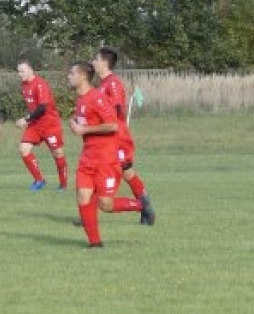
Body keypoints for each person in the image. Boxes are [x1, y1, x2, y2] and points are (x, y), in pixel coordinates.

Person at [67, 61, 150, 248]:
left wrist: (84, 129)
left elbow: (112, 125)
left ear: (82, 76)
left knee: (106, 205)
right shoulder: (80, 100)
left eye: (72, 73)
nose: (68, 76)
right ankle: (95, 243)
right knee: (83, 196)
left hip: (105, 159)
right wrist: (75, 125)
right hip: (87, 158)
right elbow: (85, 125)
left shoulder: (97, 98)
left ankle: (141, 205)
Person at [93, 45, 155, 225]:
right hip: (109, 137)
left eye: (96, 59)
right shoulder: (103, 84)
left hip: (117, 138)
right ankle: (145, 208)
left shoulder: (112, 83)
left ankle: (143, 206)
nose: (93, 62)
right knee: (126, 173)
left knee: (125, 172)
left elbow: (116, 109)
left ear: (104, 62)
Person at [15, 60, 67, 191]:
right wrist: (29, 120)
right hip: (35, 124)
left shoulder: (40, 84)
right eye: (18, 71)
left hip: (50, 124)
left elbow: (42, 107)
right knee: (23, 149)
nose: (20, 74)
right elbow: (34, 107)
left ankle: (63, 185)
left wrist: (26, 119)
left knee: (58, 153)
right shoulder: (24, 85)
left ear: (31, 70)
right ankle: (39, 180)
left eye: (22, 71)